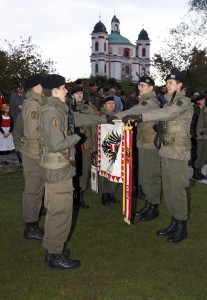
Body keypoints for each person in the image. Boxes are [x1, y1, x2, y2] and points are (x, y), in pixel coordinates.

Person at [39, 74, 111, 270]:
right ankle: (56, 255)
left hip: (58, 168)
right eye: (63, 88)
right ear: (55, 90)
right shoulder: (52, 113)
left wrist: (106, 119)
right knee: (60, 212)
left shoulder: (58, 110)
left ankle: (52, 251)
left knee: (56, 211)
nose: (65, 91)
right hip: (58, 169)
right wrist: (75, 138)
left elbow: (79, 118)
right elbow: (56, 143)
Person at [122, 72, 193, 243]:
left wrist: (140, 116)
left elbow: (169, 113)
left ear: (180, 85)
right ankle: (174, 222)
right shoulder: (170, 101)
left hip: (178, 152)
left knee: (177, 189)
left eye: (171, 82)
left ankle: (181, 226)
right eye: (167, 82)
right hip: (167, 151)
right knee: (169, 190)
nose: (168, 85)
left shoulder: (184, 102)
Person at [116, 76, 162, 221]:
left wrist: (111, 117)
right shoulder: (144, 101)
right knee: (145, 176)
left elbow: (134, 111)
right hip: (144, 144)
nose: (139, 88)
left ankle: (153, 206)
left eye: (143, 85)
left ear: (150, 88)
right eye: (139, 85)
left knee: (151, 176)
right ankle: (149, 203)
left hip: (150, 145)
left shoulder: (150, 103)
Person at [20, 75, 45, 241]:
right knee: (33, 191)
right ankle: (31, 227)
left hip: (36, 151)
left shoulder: (37, 103)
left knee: (37, 189)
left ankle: (33, 220)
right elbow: (32, 133)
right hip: (33, 153)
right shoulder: (33, 104)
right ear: (36, 87)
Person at [70, 85, 96, 209]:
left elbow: (93, 128)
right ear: (72, 96)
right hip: (70, 146)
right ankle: (71, 195)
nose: (80, 95)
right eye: (77, 93)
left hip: (85, 145)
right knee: (71, 170)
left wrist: (94, 144)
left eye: (81, 93)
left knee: (84, 170)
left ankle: (80, 195)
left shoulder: (88, 109)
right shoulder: (67, 109)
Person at [98, 96, 120, 205]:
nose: (111, 105)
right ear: (104, 105)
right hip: (102, 149)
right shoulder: (99, 117)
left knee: (114, 169)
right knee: (103, 171)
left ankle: (111, 192)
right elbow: (94, 132)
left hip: (115, 148)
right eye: (109, 103)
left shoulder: (119, 117)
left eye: (113, 103)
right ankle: (104, 194)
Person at [190, 95, 207, 180]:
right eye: (202, 100)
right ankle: (195, 173)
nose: (204, 101)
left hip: (205, 136)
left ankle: (199, 171)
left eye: (204, 99)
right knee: (196, 155)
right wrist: (193, 136)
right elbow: (192, 125)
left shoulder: (205, 110)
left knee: (203, 155)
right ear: (197, 101)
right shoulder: (195, 111)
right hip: (197, 137)